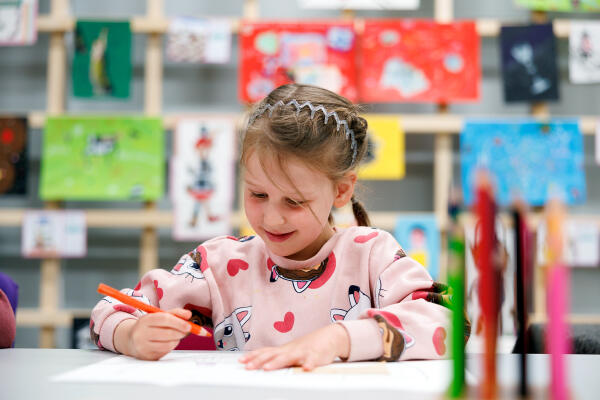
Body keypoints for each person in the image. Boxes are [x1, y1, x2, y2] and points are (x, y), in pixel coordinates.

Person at [90, 83, 452, 370]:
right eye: (258, 194)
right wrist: (131, 335)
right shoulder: (218, 264)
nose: (271, 218)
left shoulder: (371, 255)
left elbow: (447, 323)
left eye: (294, 202)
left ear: (341, 190)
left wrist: (339, 339)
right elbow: (109, 309)